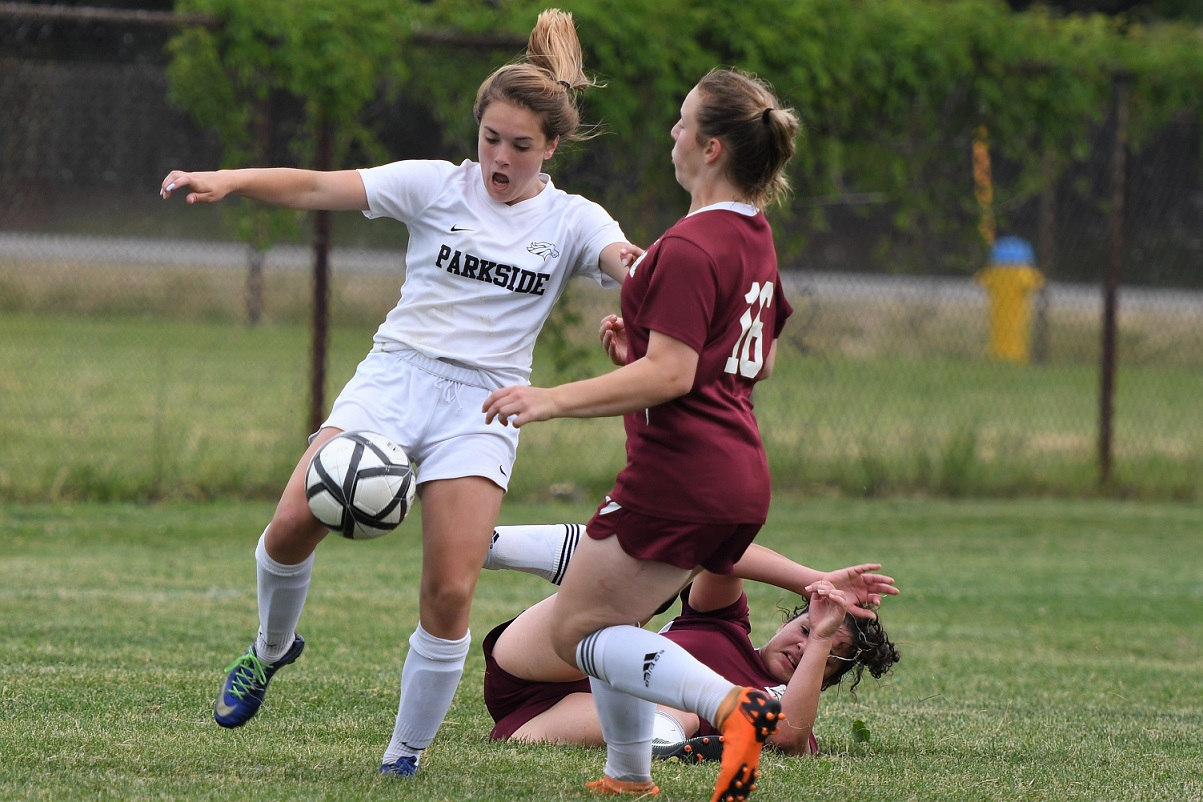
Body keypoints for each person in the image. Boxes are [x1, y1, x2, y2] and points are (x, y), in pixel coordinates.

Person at [159, 9, 634, 778]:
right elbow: (317, 185)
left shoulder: (573, 220)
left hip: (481, 406)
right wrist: (230, 180)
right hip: (395, 376)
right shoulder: (433, 185)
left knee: (448, 589)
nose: (500, 157)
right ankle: (269, 650)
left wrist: (662, 272)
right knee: (289, 526)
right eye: (490, 138)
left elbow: (626, 261)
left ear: (550, 146)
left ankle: (401, 758)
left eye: (519, 145)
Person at [482, 67, 802, 800]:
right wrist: (642, 354)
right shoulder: (753, 235)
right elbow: (747, 357)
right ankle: (629, 775)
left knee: (578, 634)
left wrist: (551, 399)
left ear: (711, 148)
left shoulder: (690, 245)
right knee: (614, 626)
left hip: (679, 475)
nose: (673, 132)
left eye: (683, 120)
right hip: (738, 472)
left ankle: (732, 705)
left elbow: (673, 375)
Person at [481, 524, 901, 758]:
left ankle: (656, 741)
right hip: (546, 662)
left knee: (682, 716)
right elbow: (720, 551)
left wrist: (824, 635)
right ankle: (488, 543)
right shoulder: (725, 623)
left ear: (824, 680)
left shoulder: (787, 709)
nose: (804, 648)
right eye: (806, 630)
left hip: (560, 719)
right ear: (788, 620)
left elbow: (788, 737)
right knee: (661, 576)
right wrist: (816, 581)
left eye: (824, 657)